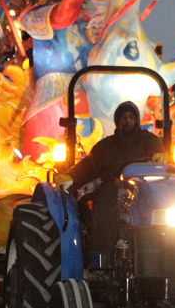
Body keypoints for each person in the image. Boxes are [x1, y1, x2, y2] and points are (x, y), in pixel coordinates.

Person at [20, 0, 97, 161]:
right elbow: (62, 18)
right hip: (53, 101)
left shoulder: (95, 15)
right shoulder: (32, 15)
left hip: (94, 95)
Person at [56, 101, 163, 255]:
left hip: (144, 190)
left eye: (131, 117)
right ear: (117, 121)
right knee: (104, 208)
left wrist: (162, 156)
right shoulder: (105, 146)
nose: (127, 121)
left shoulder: (150, 141)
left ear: (137, 119)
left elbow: (161, 155)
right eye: (123, 117)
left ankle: (156, 252)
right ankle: (103, 256)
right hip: (113, 189)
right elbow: (88, 165)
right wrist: (70, 176)